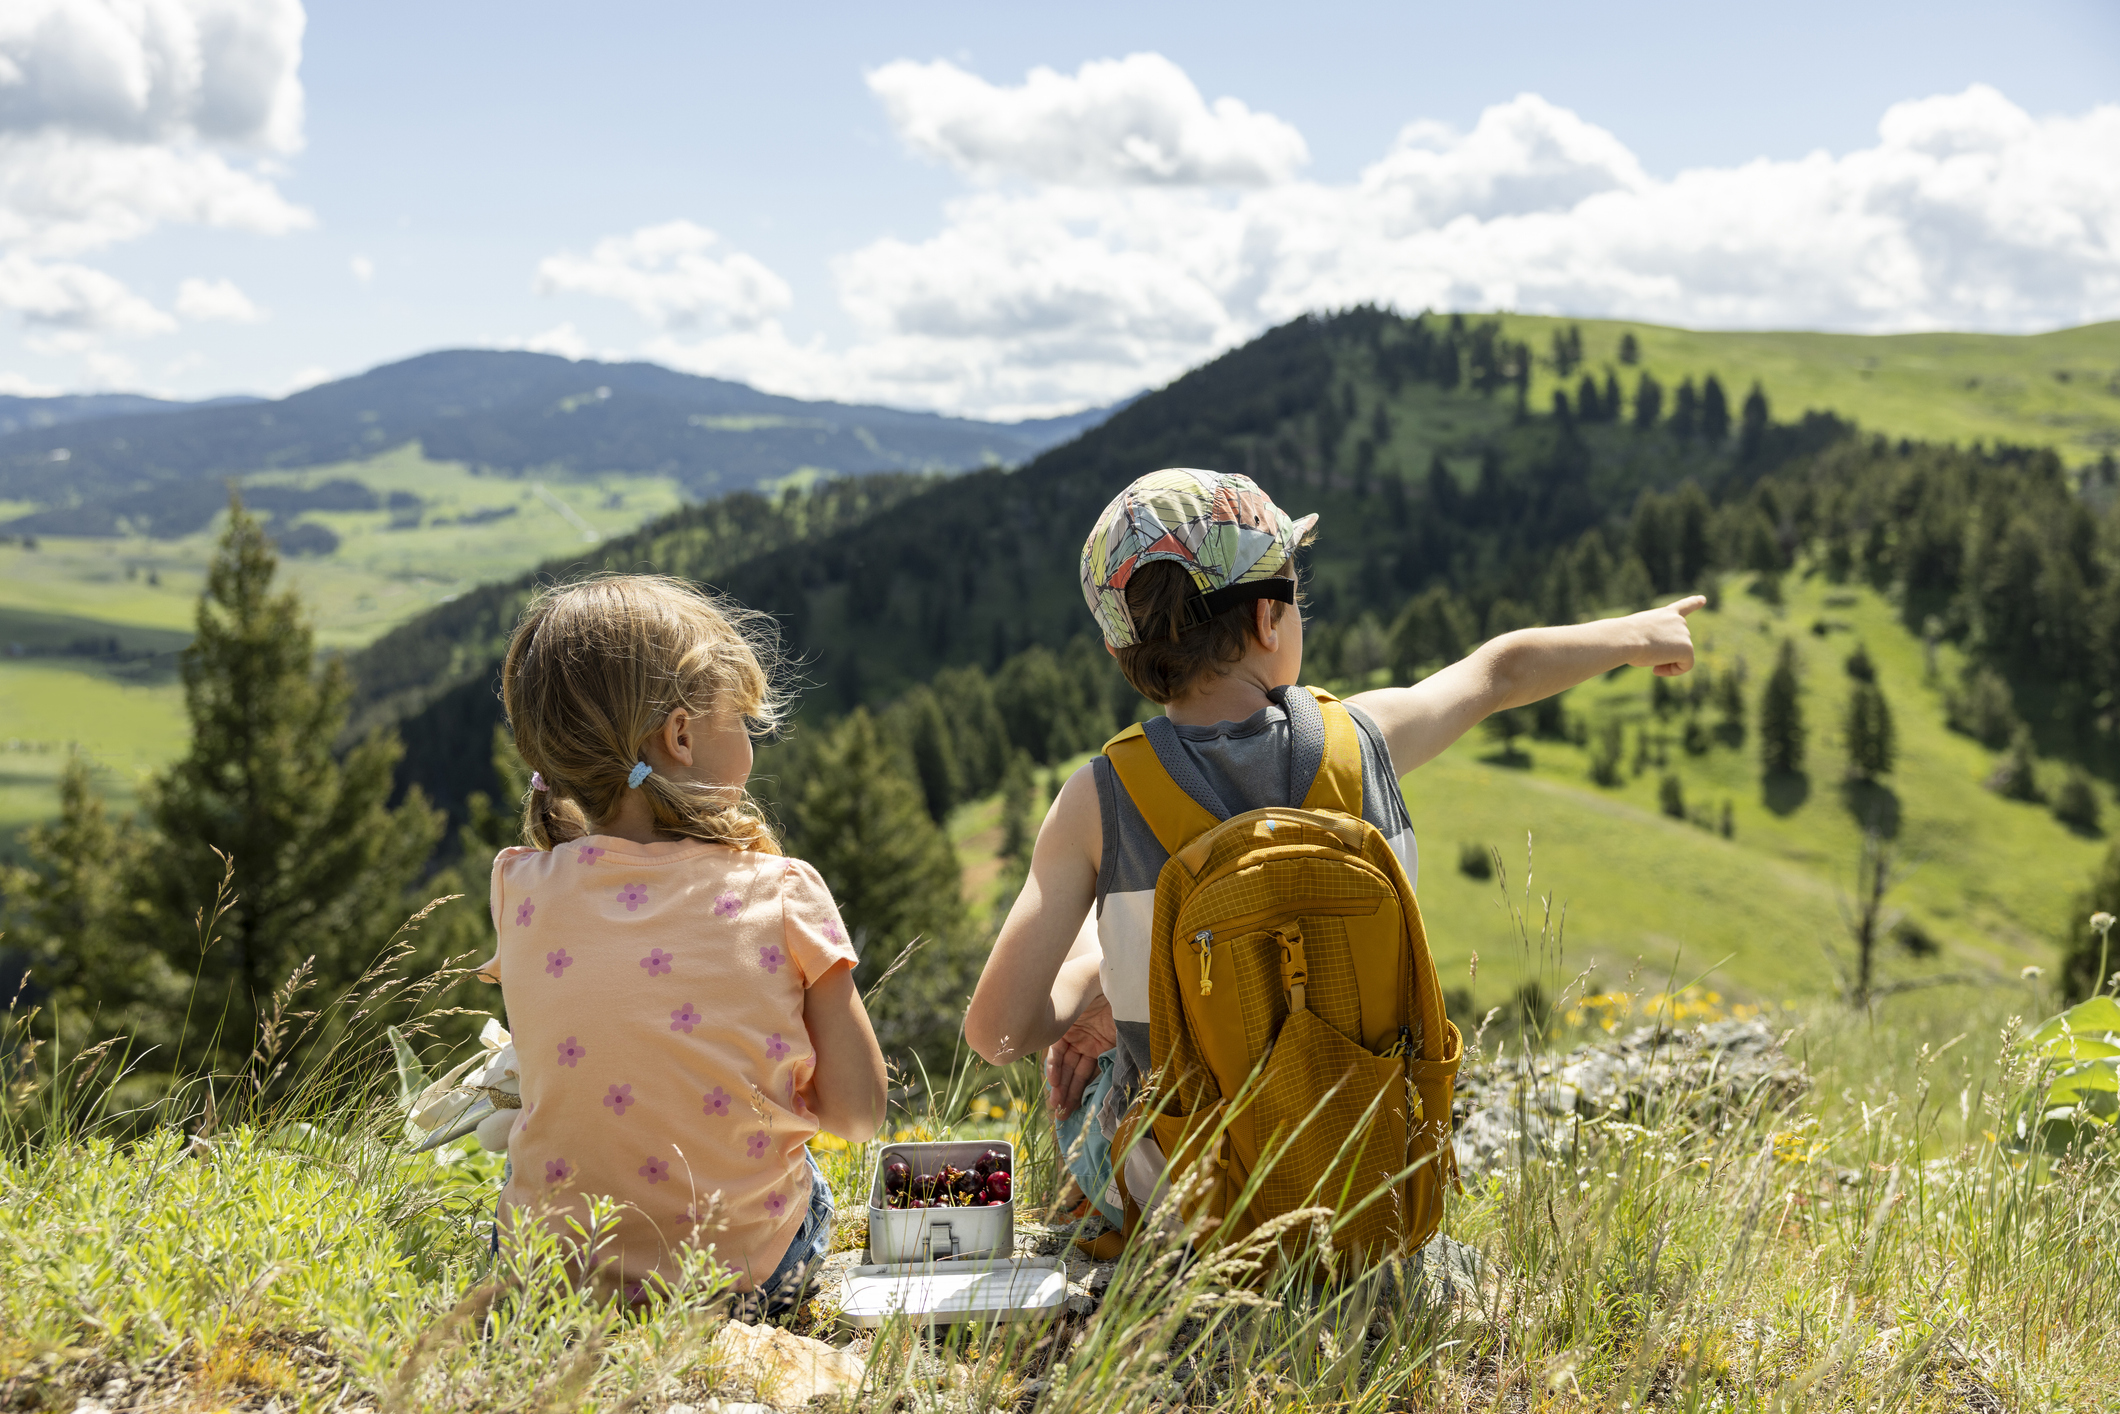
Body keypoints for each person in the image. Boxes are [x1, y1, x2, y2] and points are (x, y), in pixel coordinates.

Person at [963, 468, 1701, 1230]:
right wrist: (1636, 634)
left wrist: (1097, 983)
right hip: (1375, 1183)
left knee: (1095, 1064)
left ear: (1128, 649)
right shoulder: (1366, 739)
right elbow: (1500, 671)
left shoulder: (1100, 798)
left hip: (1187, 1207)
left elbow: (999, 1032)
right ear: (1266, 620)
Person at [484, 574, 887, 1306]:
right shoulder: (785, 891)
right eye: (742, 720)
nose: (751, 744)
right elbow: (857, 1114)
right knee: (807, 1183)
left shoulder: (519, 884)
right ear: (680, 735)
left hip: (547, 1274)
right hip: (737, 1279)